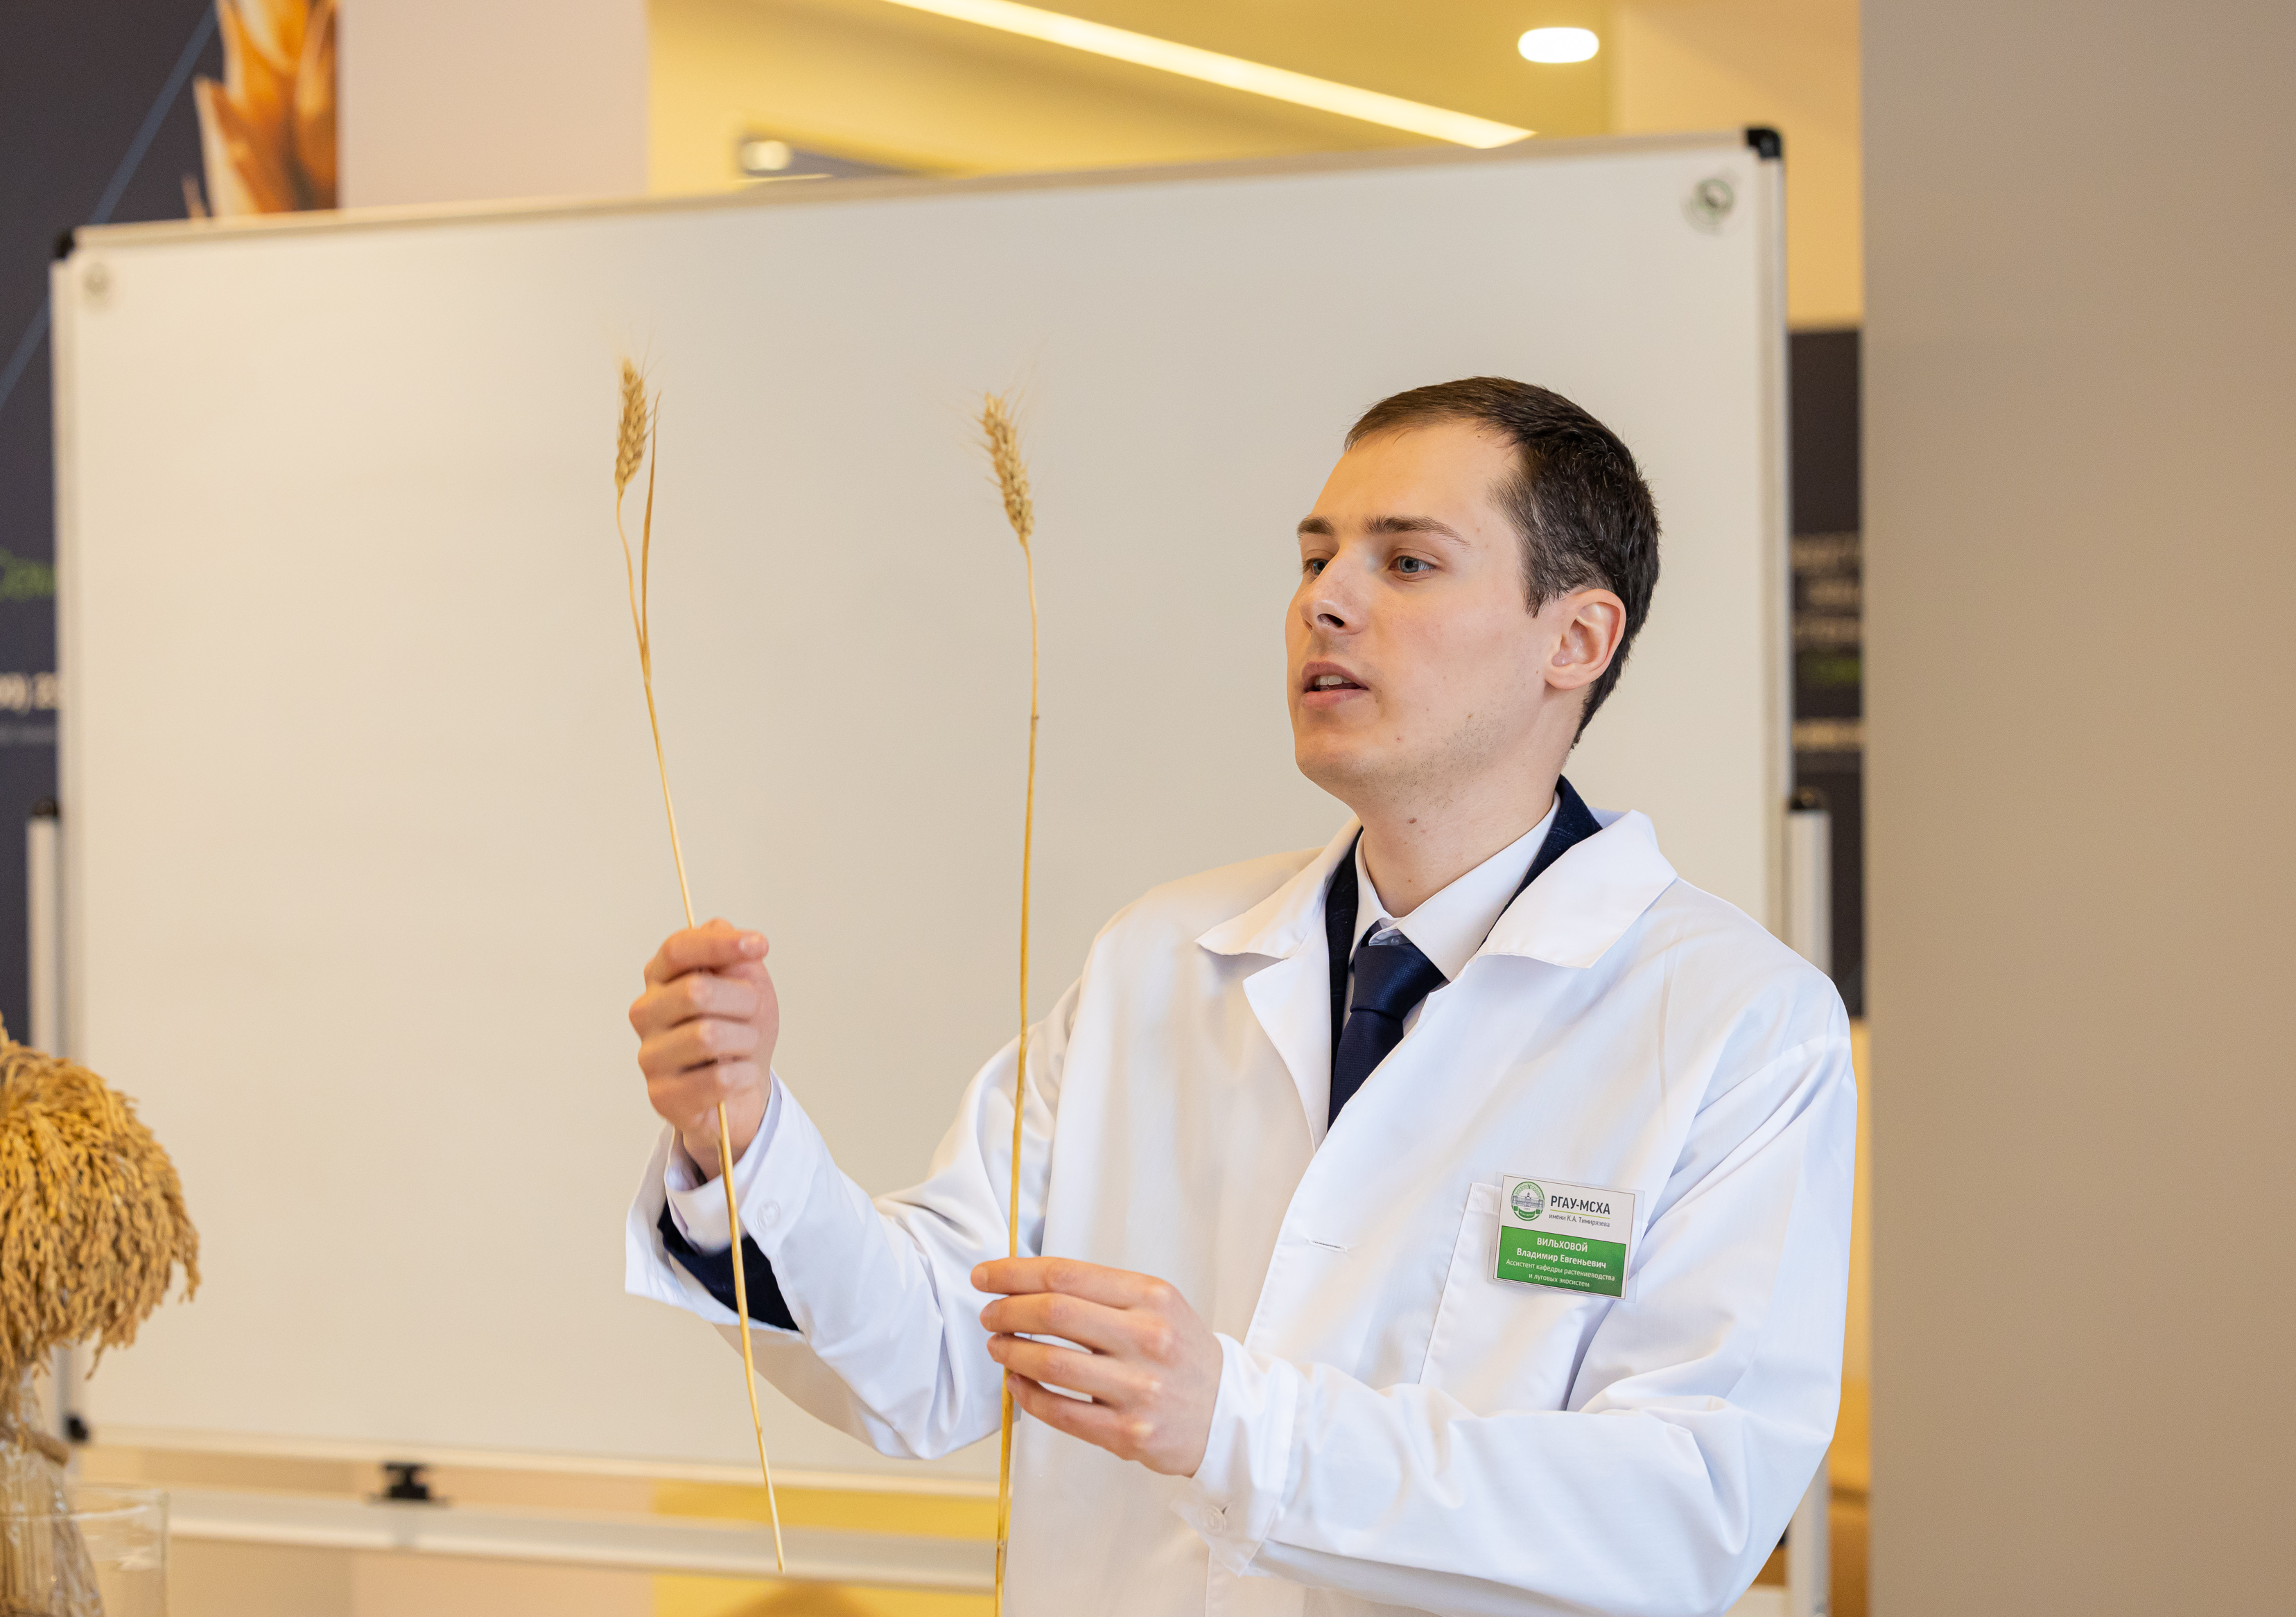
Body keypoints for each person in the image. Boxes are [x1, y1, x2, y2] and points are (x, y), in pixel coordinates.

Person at [623, 377, 1855, 1617]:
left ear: (1576, 639)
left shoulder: (1738, 1025)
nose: (1325, 600)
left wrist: (1236, 1428)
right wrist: (742, 1140)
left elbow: (1681, 1513)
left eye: (1407, 562)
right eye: (1316, 558)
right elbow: (938, 1350)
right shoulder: (1157, 959)